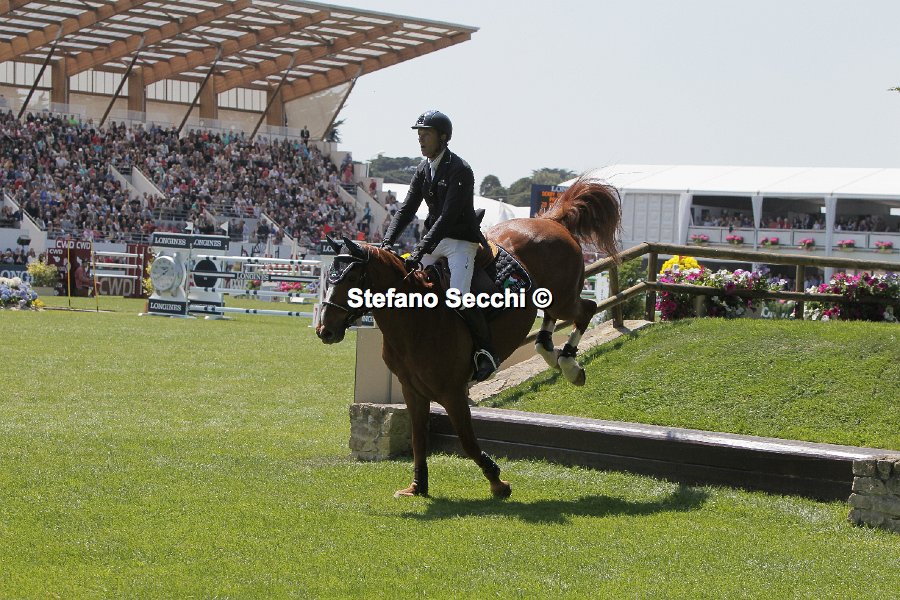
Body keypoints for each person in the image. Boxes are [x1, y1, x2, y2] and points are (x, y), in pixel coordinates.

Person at [381, 110, 498, 381]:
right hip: (434, 240)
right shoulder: (422, 169)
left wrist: (419, 250)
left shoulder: (460, 169)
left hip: (460, 243)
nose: (420, 139)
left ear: (443, 137)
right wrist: (387, 242)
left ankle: (487, 352)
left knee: (458, 297)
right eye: (419, 134)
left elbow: (447, 217)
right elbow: (406, 209)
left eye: (426, 134)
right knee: (406, 285)